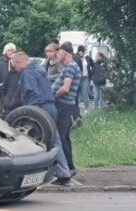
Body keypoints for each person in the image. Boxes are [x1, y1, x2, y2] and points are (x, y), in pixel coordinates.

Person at [7, 52, 72, 181]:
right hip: (51, 107)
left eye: (15, 65)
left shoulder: (28, 73)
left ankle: (60, 173)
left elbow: (32, 93)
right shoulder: (39, 69)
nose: (15, 69)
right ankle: (63, 171)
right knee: (55, 140)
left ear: (20, 62)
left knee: (44, 141)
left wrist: (27, 113)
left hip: (40, 108)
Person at [51, 42, 82, 185]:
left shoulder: (70, 67)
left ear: (65, 52)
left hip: (63, 106)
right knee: (64, 137)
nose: (57, 54)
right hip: (67, 106)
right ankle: (70, 167)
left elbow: (65, 88)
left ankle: (65, 172)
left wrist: (52, 96)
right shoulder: (73, 66)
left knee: (60, 138)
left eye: (59, 52)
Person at [0, 43, 16, 115]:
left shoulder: (16, 62)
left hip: (12, 92)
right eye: (9, 50)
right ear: (5, 51)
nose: (10, 52)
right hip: (0, 91)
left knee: (10, 113)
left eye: (12, 50)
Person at [75, 46, 94, 114]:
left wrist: (91, 73)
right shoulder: (75, 57)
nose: (83, 53)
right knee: (77, 93)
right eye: (81, 52)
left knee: (85, 92)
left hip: (86, 77)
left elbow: (93, 65)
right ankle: (76, 109)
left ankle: (87, 108)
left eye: (84, 52)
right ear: (79, 51)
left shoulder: (88, 58)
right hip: (78, 77)